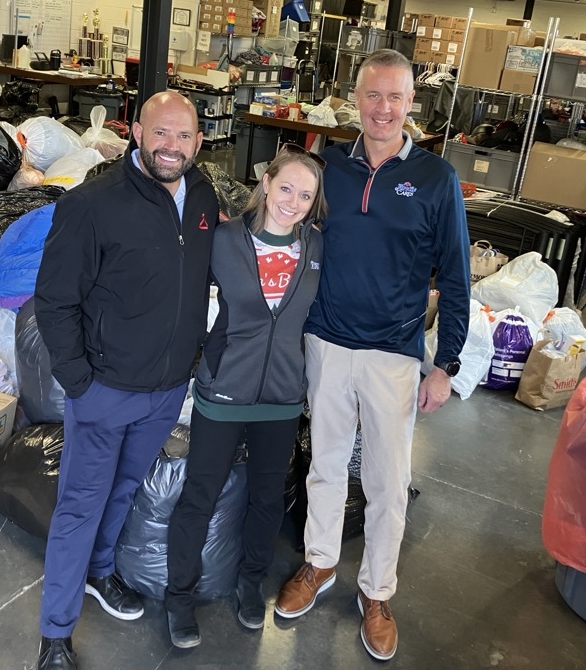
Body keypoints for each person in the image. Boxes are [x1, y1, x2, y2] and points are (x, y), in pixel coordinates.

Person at [274, 49, 471, 662]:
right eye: (372, 96)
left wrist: (446, 364)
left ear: (412, 102)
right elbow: (286, 226)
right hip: (327, 342)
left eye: (395, 97)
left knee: (388, 479)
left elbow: (458, 278)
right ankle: (319, 564)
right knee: (325, 466)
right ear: (354, 98)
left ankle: (378, 592)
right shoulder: (327, 166)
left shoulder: (435, 178)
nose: (383, 109)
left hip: (392, 354)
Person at [33, 90, 219, 670]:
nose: (171, 146)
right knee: (80, 504)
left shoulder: (204, 196)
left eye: (183, 135)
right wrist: (81, 384)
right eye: (160, 133)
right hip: (105, 391)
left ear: (199, 140)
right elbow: (54, 301)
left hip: (167, 390)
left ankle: (101, 571)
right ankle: (55, 634)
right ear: (136, 131)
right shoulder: (93, 204)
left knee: (124, 489)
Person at [164, 146, 327, 649]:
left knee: (265, 498)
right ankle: (179, 597)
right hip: (223, 392)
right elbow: (180, 294)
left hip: (280, 397)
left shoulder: (318, 248)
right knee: (200, 495)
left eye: (305, 196)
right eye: (286, 188)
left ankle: (249, 582)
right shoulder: (225, 240)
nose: (292, 202)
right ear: (266, 182)